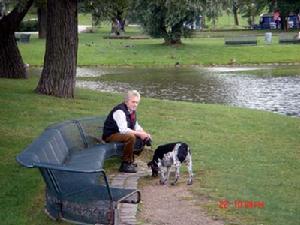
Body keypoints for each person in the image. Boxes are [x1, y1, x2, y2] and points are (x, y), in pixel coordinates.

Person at [102, 90, 152, 173]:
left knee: (138, 136)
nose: (135, 104)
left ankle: (130, 161)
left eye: (137, 102)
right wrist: (140, 133)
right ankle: (125, 164)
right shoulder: (120, 111)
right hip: (110, 135)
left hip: (120, 134)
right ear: (126, 101)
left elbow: (136, 126)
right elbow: (123, 130)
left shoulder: (132, 111)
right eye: (133, 102)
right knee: (131, 136)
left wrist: (144, 134)